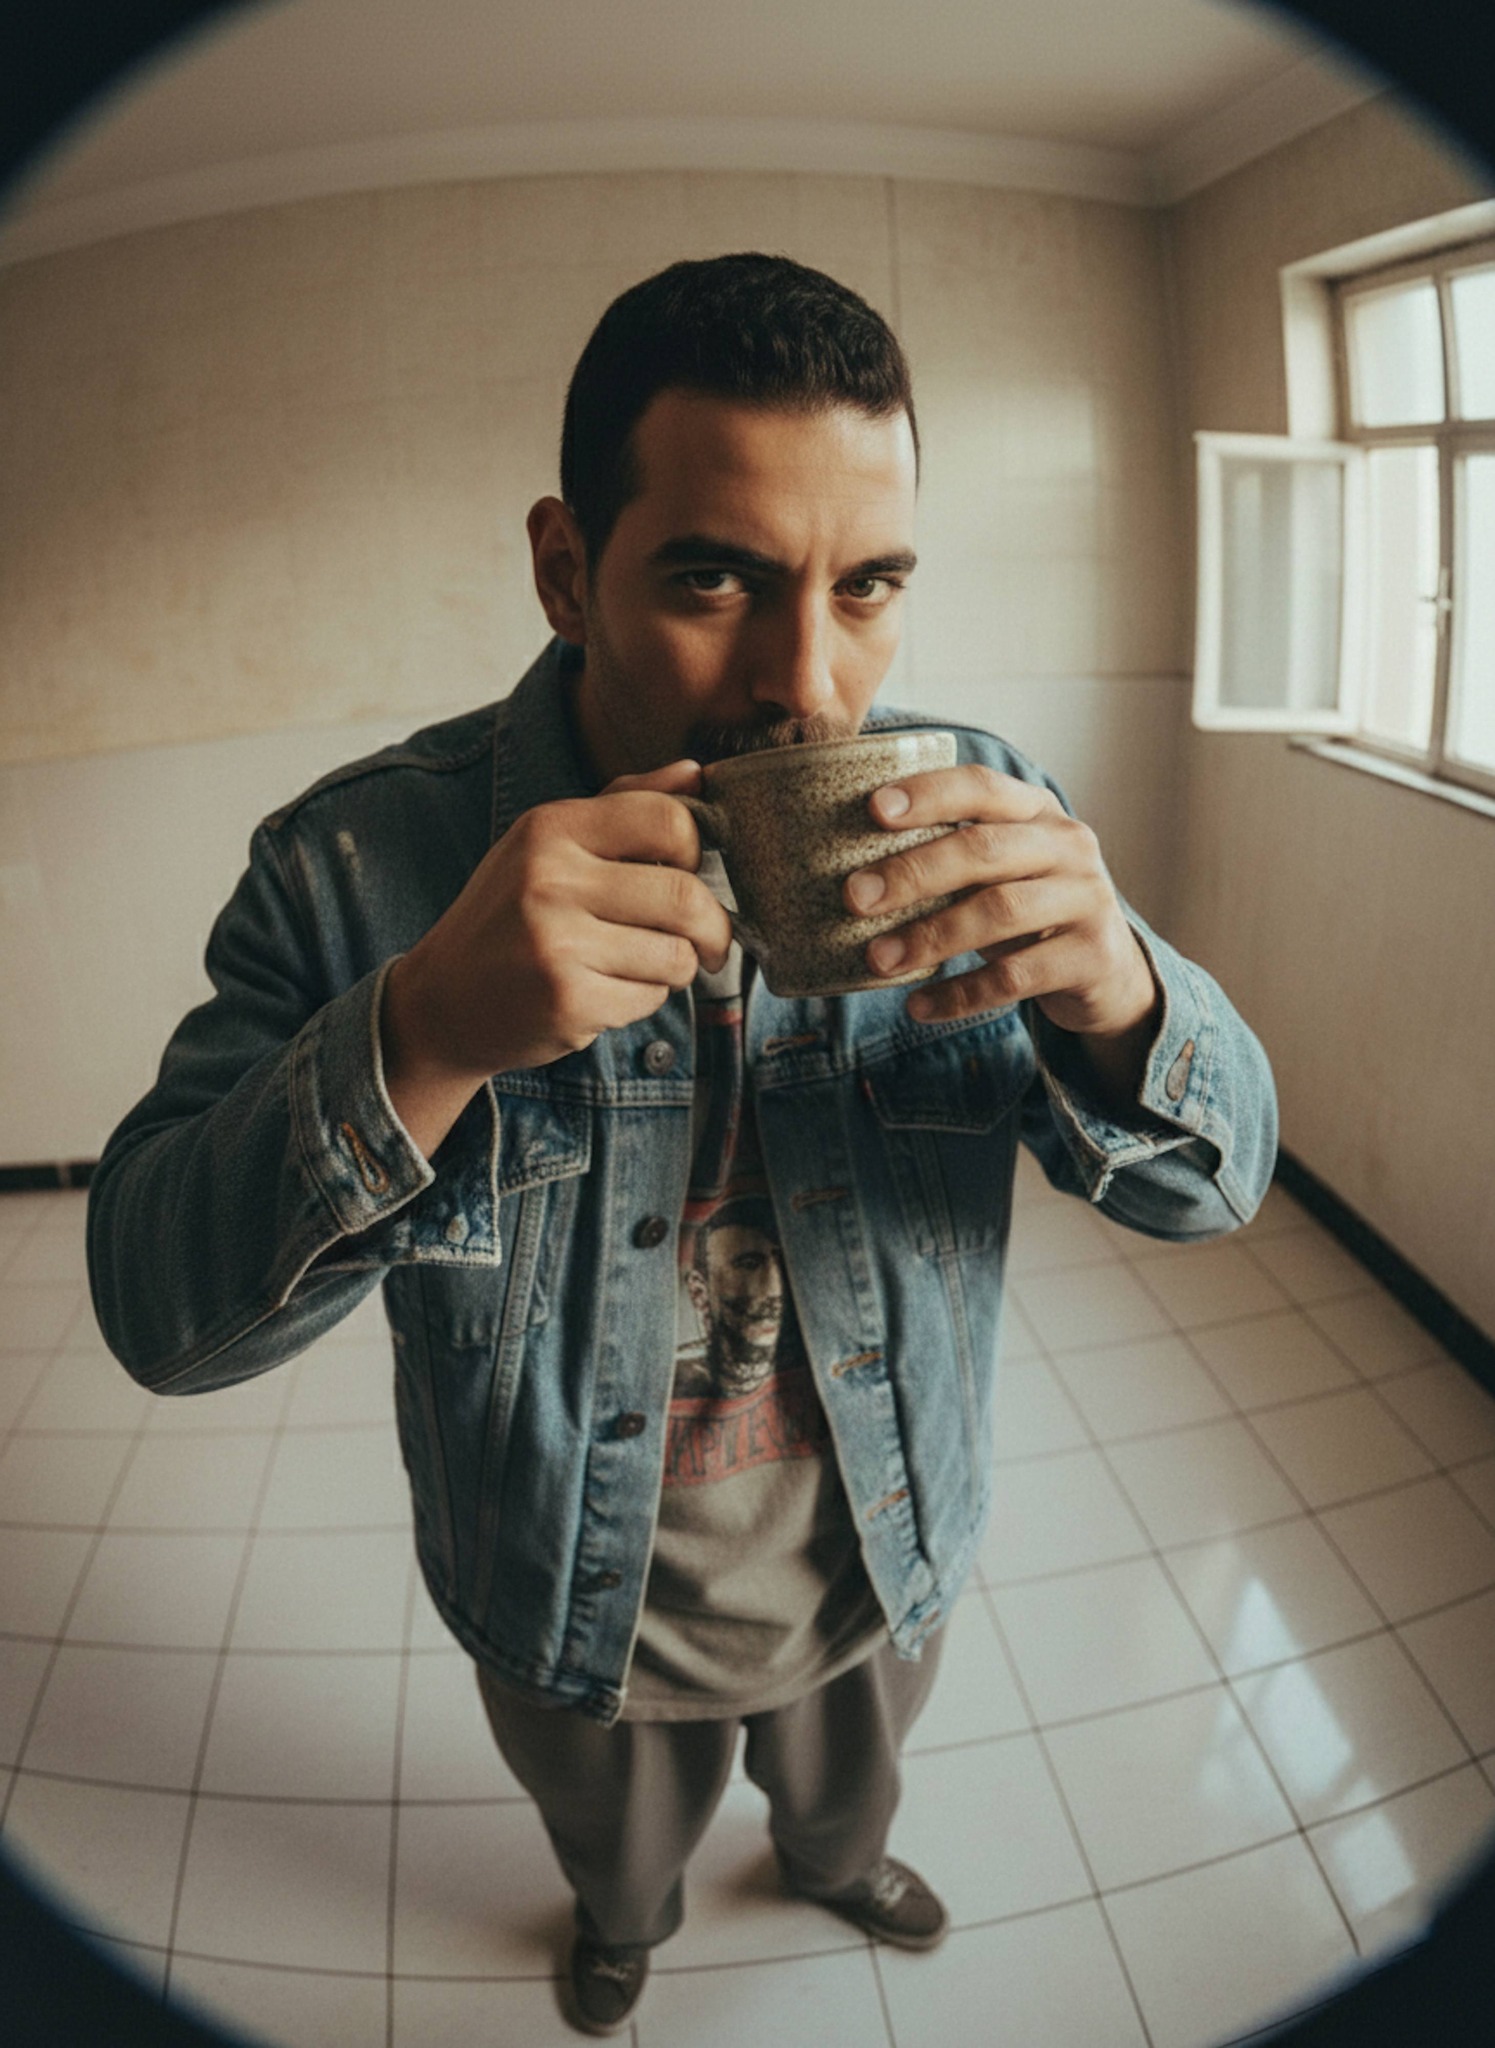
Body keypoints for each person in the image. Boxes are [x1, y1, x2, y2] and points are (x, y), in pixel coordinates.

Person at [87, 252, 1278, 2036]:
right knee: (613, 1849)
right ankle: (626, 1919)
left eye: (867, 587)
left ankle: (828, 1859)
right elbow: (156, 1310)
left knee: (848, 1797)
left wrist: (1117, 990)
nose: (809, 685)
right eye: (716, 579)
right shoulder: (353, 875)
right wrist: (419, 1038)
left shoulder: (982, 811)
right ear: (569, 570)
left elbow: (1226, 1183)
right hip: (563, 1601)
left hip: (886, 1552)